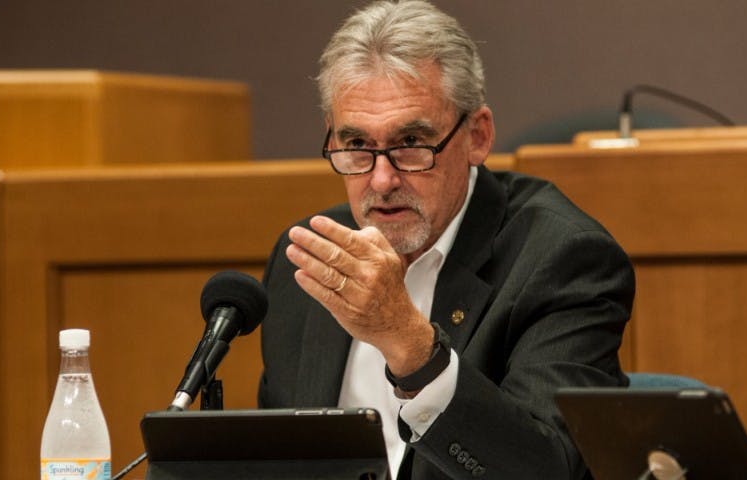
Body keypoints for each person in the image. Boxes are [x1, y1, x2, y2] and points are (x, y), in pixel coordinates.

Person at [258, 1, 634, 478]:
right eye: (356, 146)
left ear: (478, 135)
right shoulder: (305, 266)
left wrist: (410, 346)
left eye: (411, 142)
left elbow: (549, 469)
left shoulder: (562, 258)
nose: (380, 180)